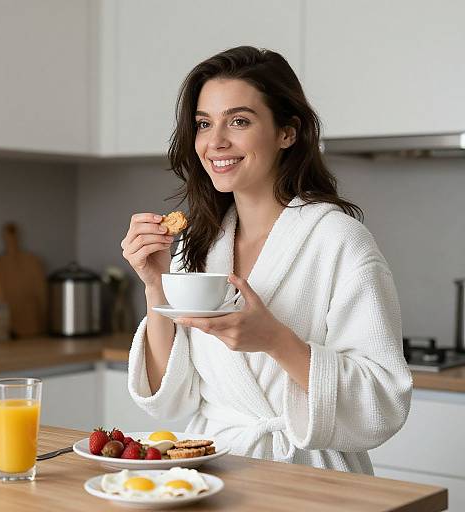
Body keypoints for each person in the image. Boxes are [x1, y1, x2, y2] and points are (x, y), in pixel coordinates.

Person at [121, 46, 412, 474]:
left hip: (311, 476)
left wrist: (277, 341)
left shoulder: (339, 240)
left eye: (238, 120)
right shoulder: (197, 243)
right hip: (213, 469)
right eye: (204, 124)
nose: (216, 141)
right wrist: (155, 283)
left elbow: (383, 402)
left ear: (286, 133)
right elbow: (170, 399)